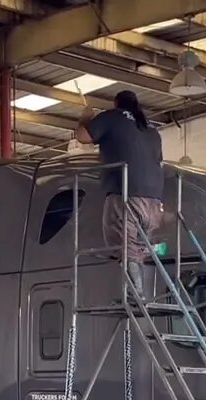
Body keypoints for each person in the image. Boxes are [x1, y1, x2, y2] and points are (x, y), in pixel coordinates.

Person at [76, 89, 164, 300]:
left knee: (120, 243)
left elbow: (83, 137)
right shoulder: (151, 129)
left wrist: (85, 117)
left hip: (126, 193)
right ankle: (138, 292)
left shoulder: (112, 117)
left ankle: (137, 293)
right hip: (154, 199)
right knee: (139, 249)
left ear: (117, 104)